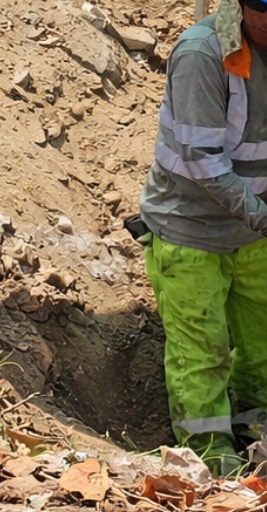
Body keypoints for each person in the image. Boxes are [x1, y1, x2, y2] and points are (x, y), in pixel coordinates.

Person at [138, 0, 267, 478]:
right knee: (202, 352)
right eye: (260, 4)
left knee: (262, 344)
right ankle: (212, 462)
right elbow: (202, 159)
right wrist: (262, 216)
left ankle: (259, 436)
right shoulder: (203, 54)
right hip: (189, 228)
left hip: (252, 228)